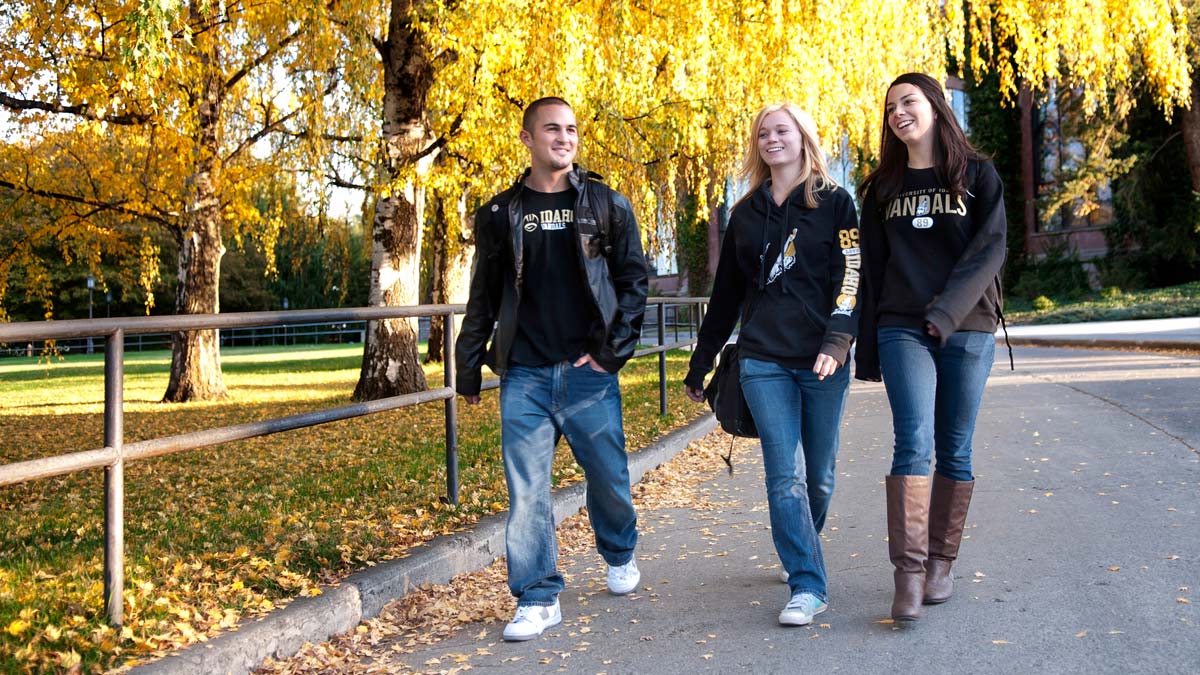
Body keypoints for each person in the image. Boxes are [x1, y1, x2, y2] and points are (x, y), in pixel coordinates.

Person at [455, 97, 649, 641]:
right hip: (524, 375)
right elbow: (484, 296)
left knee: (609, 479)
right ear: (527, 139)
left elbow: (634, 282)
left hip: (589, 373)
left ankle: (619, 550)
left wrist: (613, 353)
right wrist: (468, 367)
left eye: (570, 129)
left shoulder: (607, 205)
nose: (563, 138)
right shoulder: (498, 214)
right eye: (551, 129)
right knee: (528, 493)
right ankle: (538, 597)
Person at [684, 103, 861, 627]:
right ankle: (807, 583)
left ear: (803, 137)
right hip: (763, 360)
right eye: (763, 133)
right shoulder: (744, 214)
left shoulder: (835, 204)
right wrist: (700, 363)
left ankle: (802, 540)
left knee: (820, 477)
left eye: (781, 130)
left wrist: (837, 341)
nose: (771, 139)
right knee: (786, 476)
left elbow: (849, 277)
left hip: (823, 360)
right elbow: (724, 298)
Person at [855, 73, 1007, 622]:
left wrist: (946, 313)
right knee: (912, 441)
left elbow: (989, 251)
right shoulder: (881, 189)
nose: (898, 113)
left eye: (909, 102)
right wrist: (867, 347)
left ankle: (942, 562)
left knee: (956, 446)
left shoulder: (977, 176)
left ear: (936, 108)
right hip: (902, 326)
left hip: (968, 327)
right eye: (891, 107)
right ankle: (909, 573)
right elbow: (871, 270)